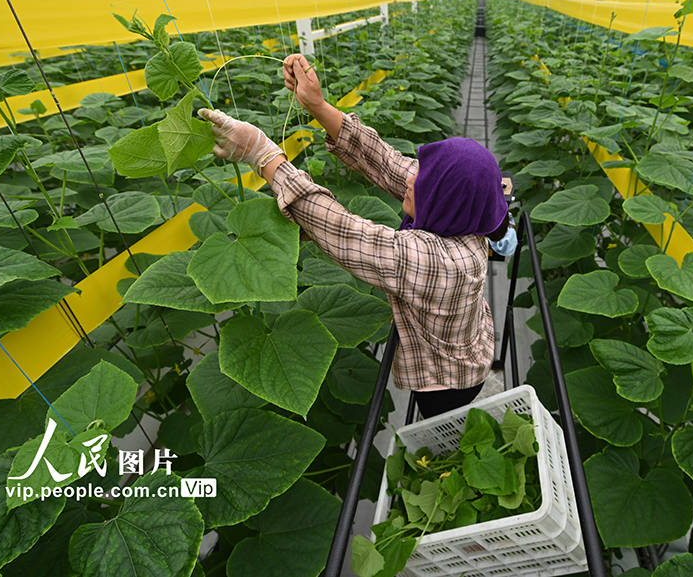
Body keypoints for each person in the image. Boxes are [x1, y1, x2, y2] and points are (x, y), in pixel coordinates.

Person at [196, 53, 517, 419]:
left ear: (443, 200)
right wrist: (317, 105)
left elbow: (344, 231)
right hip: (466, 340)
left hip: (447, 377)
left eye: (423, 179)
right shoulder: (463, 210)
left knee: (440, 420)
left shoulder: (443, 262)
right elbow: (389, 163)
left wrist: (262, 153)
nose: (412, 178)